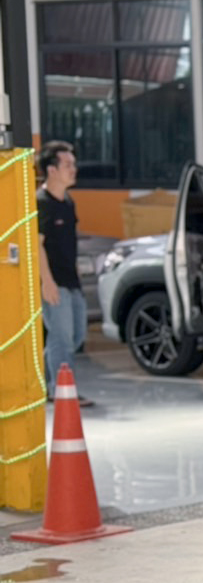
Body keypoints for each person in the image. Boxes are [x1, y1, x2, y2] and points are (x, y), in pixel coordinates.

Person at [36, 141, 93, 407]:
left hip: (72, 281)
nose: (74, 169)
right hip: (54, 283)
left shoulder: (68, 202)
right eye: (68, 165)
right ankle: (61, 391)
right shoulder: (42, 202)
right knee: (61, 337)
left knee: (75, 335)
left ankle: (47, 383)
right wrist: (47, 282)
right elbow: (36, 245)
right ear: (51, 170)